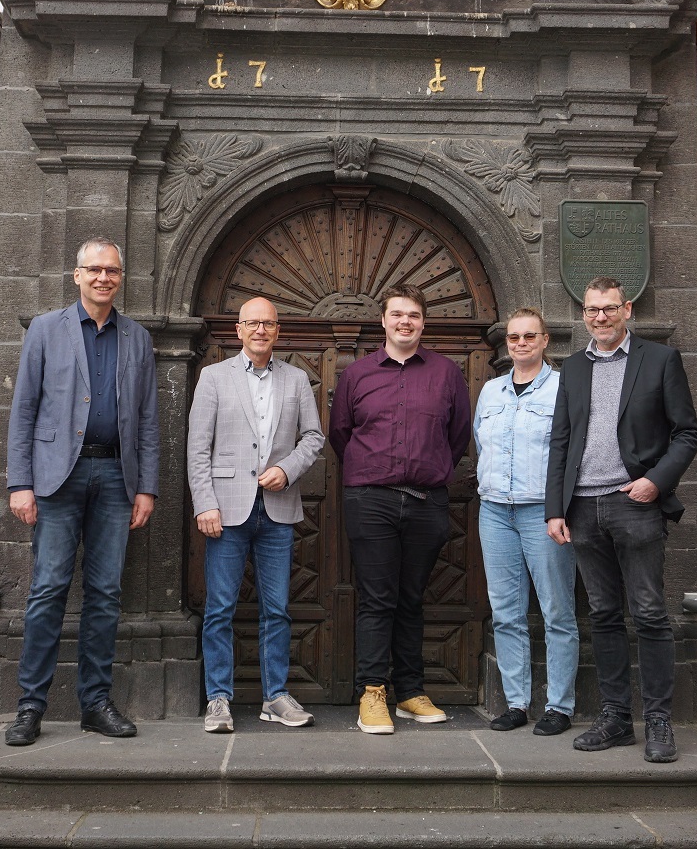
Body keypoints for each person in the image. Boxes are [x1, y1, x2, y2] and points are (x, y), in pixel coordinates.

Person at [2, 238, 159, 747]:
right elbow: (23, 410)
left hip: (115, 476)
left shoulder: (137, 337)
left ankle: (95, 703)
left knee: (106, 593)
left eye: (111, 271)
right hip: (56, 477)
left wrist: (147, 488)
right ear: (77, 276)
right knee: (48, 589)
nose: (103, 278)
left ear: (120, 278)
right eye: (94, 270)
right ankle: (30, 706)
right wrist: (20, 483)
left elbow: (148, 419)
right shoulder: (46, 329)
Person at [545, 277, 697, 762]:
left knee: (650, 613)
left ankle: (657, 721)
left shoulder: (660, 360)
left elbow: (687, 432)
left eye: (608, 309)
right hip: (582, 507)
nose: (600, 317)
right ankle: (615, 718)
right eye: (592, 310)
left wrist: (655, 481)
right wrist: (555, 508)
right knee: (603, 614)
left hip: (634, 502)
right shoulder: (573, 367)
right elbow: (561, 440)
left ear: (626, 310)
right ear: (583, 314)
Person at [329, 283, 471, 736]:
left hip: (428, 501)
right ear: (384, 321)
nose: (405, 321)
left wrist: (428, 467)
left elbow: (458, 436)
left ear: (423, 323)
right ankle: (372, 691)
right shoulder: (357, 374)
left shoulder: (446, 373)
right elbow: (341, 434)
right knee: (377, 598)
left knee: (412, 598)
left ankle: (410, 691)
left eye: (413, 315)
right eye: (397, 314)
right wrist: (374, 469)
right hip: (371, 500)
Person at [187, 297, 325, 734]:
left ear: (278, 331)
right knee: (220, 608)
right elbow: (198, 446)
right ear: (239, 329)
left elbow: (314, 436)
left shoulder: (296, 378)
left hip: (277, 509)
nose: (260, 330)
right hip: (226, 509)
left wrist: (288, 469)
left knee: (277, 609)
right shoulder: (213, 377)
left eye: (268, 323)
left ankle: (275, 696)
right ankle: (218, 698)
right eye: (252, 323)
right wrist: (205, 502)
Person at [473, 308, 580, 737]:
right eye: (514, 337)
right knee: (506, 613)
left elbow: (572, 453)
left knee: (557, 612)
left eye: (529, 336)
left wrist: (560, 509)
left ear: (545, 340)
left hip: (544, 512)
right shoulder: (491, 391)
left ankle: (559, 706)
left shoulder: (563, 388)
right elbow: (481, 444)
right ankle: (516, 702)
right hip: (495, 511)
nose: (520, 343)